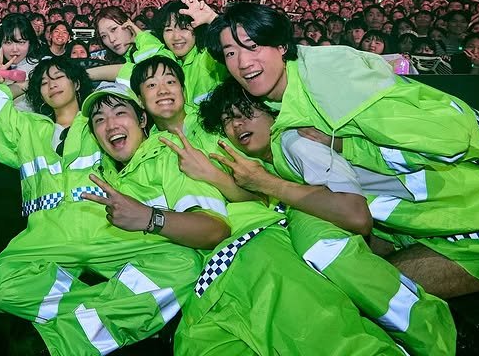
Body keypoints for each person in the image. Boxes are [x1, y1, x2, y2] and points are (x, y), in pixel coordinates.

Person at [189, 0, 479, 299]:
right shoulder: (287, 109)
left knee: (372, 294)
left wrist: (343, 140)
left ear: (281, 46)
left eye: (253, 45)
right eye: (230, 53)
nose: (242, 61)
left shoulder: (328, 78)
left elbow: (446, 137)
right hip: (450, 214)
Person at [191, 79, 456, 355]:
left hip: (446, 212)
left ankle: (427, 329)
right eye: (227, 121)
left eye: (245, 112)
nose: (237, 125)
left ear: (272, 112)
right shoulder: (271, 160)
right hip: (409, 228)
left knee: (313, 239)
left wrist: (267, 183)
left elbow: (357, 217)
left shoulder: (295, 142)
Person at [0, 82, 230, 355]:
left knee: (185, 266)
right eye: (99, 120)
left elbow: (214, 230)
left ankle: (63, 341)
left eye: (120, 113)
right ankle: (114, 314)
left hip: (153, 253)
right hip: (106, 254)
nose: (110, 125)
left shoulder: (170, 156)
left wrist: (148, 217)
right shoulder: (104, 172)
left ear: (142, 119)